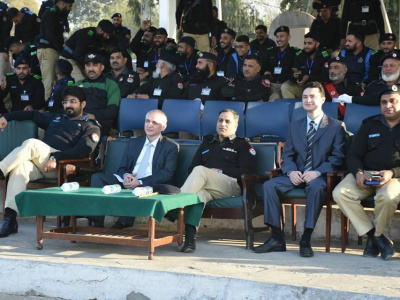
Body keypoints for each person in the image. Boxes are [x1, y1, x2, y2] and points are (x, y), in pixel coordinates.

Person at [253, 81, 346, 257]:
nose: (308, 100)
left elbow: (338, 158)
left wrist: (317, 172)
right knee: (269, 185)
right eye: (305, 97)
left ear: (323, 99)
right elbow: (287, 155)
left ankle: (306, 239)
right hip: (296, 175)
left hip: (320, 177)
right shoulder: (295, 125)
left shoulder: (336, 126)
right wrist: (291, 171)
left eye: (312, 96)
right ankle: (277, 238)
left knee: (316, 187)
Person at [0, 86, 101, 237]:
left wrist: (56, 157)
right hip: (42, 164)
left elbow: (83, 151)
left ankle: (1, 170)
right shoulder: (56, 118)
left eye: (73, 101)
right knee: (19, 168)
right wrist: (7, 117)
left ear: (83, 104)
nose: (68, 105)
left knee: (32, 143)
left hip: (62, 166)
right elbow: (32, 114)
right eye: (66, 102)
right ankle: (10, 218)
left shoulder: (91, 126)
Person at [333, 84, 400, 260]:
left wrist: (392, 172)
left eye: (393, 101)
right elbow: (353, 154)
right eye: (384, 102)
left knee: (387, 197)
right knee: (340, 193)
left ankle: (374, 241)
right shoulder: (370, 124)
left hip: (393, 177)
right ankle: (376, 237)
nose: (388, 105)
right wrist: (358, 173)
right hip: (366, 174)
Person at [80, 110, 179, 228]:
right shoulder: (134, 142)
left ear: (163, 127)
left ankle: (122, 222)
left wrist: (140, 182)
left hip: (149, 184)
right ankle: (97, 222)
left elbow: (167, 174)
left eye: (154, 122)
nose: (149, 125)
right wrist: (126, 176)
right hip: (129, 180)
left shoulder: (171, 146)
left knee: (138, 189)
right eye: (147, 121)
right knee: (97, 178)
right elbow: (122, 168)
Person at [180, 109, 256, 252]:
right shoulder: (207, 144)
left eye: (227, 121)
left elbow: (247, 172)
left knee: (201, 170)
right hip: (207, 186)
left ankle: (176, 206)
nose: (223, 124)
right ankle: (189, 241)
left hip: (231, 186)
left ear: (235, 126)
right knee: (198, 196)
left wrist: (221, 171)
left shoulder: (241, 145)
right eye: (220, 120)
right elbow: (191, 169)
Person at [75, 53, 121, 136]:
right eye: (88, 65)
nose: (91, 68)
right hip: (78, 120)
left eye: (95, 65)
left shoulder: (111, 85)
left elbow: (112, 111)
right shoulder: (78, 84)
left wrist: (93, 116)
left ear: (102, 67)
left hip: (99, 123)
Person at [38, 0, 74, 100]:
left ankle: (53, 106)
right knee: (48, 82)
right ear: (63, 3)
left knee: (56, 81)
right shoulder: (51, 13)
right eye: (69, 6)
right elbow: (50, 35)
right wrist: (61, 49)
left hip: (54, 50)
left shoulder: (60, 16)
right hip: (48, 50)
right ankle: (45, 110)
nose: (70, 9)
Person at [334, 54, 400, 106]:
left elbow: (381, 97)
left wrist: (351, 99)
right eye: (385, 66)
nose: (387, 69)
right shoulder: (373, 85)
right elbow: (364, 102)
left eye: (392, 66)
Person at [281, 32, 330, 99]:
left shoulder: (324, 56)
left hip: (319, 89)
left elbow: (326, 77)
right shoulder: (300, 55)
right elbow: (291, 74)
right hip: (303, 87)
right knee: (285, 86)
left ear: (317, 44)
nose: (306, 46)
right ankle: (291, 108)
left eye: (309, 43)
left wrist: (309, 77)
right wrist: (295, 76)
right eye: (305, 43)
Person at [263, 26, 298, 101]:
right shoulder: (270, 51)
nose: (279, 39)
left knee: (275, 97)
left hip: (286, 85)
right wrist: (266, 71)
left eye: (282, 36)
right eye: (277, 37)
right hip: (271, 85)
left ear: (289, 37)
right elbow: (264, 66)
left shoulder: (294, 52)